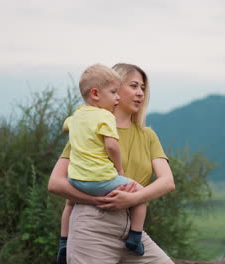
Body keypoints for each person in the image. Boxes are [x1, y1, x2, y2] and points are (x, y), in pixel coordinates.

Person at [48, 63, 176, 264]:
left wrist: (132, 199)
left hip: (133, 230)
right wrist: (97, 201)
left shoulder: (148, 135)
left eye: (143, 88)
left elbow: (167, 181)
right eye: (133, 86)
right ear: (113, 88)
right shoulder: (88, 130)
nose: (140, 93)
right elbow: (55, 183)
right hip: (92, 225)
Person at [61, 64, 147, 259]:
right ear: (96, 94)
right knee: (141, 195)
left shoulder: (77, 116)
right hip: (99, 179)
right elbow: (112, 147)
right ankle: (135, 236)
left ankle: (63, 242)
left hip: (75, 181)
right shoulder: (105, 116)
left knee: (69, 204)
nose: (117, 97)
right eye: (114, 92)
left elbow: (66, 126)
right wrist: (120, 170)